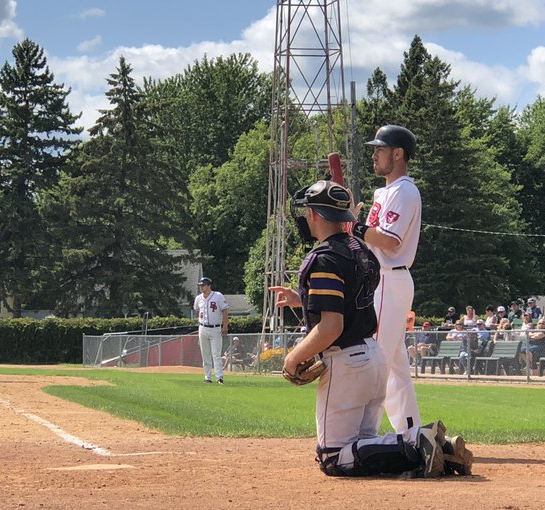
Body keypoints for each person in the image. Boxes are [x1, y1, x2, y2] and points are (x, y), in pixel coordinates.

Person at [269, 179, 471, 477]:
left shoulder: (324, 258)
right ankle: (441, 450)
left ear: (316, 215)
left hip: (346, 363)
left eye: (308, 210)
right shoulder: (360, 250)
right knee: (363, 445)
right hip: (372, 357)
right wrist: (304, 300)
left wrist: (292, 358)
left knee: (334, 458)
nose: (305, 216)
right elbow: (349, 303)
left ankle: (417, 441)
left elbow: (332, 326)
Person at [349, 125, 422, 433]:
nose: (374, 155)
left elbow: (389, 241)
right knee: (394, 365)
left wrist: (351, 226)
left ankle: (365, 433)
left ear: (398, 153)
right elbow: (371, 240)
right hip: (381, 280)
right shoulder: (384, 192)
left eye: (380, 149)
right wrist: (354, 228)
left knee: (375, 358)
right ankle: (412, 433)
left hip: (391, 280)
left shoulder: (405, 190)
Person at [193, 276, 229, 384]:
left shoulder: (217, 296)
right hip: (203, 327)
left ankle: (219, 377)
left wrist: (225, 326)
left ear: (209, 286)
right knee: (205, 354)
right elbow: (196, 310)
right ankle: (208, 377)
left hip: (215, 328)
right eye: (200, 285)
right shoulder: (198, 298)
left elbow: (225, 311)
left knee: (216, 354)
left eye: (203, 285)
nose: (201, 287)